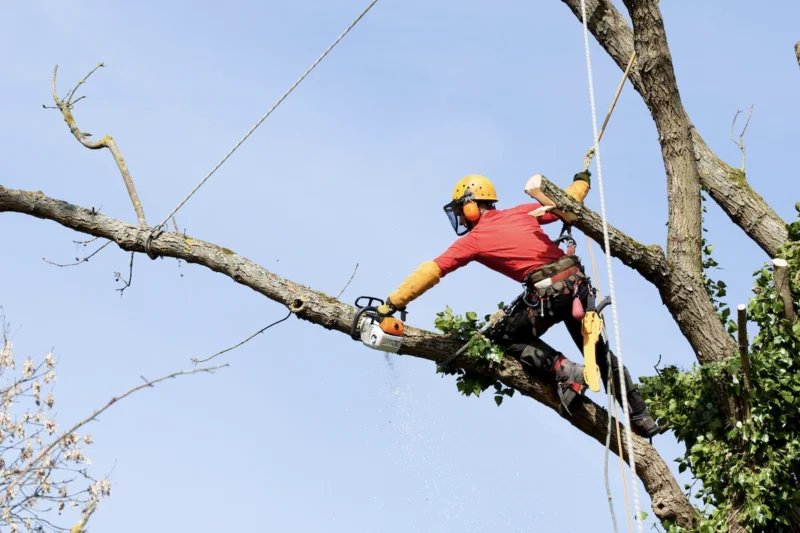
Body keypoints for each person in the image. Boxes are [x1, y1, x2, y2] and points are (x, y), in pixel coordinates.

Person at [376, 172, 659, 438]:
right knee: (598, 353)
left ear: (472, 206)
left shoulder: (474, 240)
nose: (462, 220)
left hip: (549, 295)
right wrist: (581, 181)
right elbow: (567, 200)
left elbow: (432, 270)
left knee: (506, 338)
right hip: (577, 287)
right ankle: (641, 416)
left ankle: (564, 370)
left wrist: (392, 303)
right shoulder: (523, 212)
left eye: (462, 212)